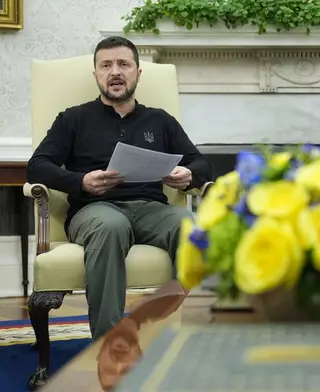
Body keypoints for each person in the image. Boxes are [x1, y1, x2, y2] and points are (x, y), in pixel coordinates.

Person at [26, 36, 212, 340]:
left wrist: (187, 173)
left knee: (190, 227)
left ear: (138, 73)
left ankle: (184, 338)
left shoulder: (160, 120)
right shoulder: (73, 118)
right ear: (96, 75)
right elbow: (37, 166)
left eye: (123, 64)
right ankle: (110, 348)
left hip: (151, 209)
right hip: (93, 209)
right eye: (106, 65)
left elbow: (201, 163)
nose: (115, 71)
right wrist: (80, 181)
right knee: (110, 227)